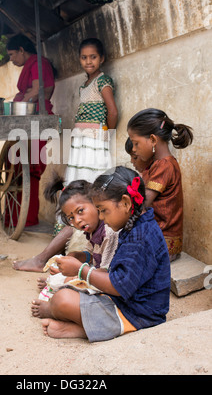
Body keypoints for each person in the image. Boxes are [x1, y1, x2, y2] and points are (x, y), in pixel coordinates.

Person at [13, 37, 118, 269]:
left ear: (102, 59)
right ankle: (67, 243)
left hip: (94, 142)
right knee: (76, 184)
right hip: (81, 140)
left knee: (90, 185)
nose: (88, 61)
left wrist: (106, 135)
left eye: (93, 57)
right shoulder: (85, 84)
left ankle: (84, 244)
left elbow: (112, 111)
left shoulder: (103, 81)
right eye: (84, 57)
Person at [39, 166, 171, 342]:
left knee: (61, 300)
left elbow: (117, 285)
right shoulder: (133, 227)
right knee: (65, 294)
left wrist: (81, 271)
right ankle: (89, 327)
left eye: (103, 210)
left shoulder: (141, 237)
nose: (101, 218)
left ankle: (91, 328)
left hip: (139, 314)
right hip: (124, 302)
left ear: (125, 203)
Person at [31, 174, 119, 316]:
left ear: (96, 203)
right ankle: (57, 283)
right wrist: (78, 256)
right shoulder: (92, 231)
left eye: (80, 211)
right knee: (60, 279)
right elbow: (92, 255)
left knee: (66, 287)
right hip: (97, 272)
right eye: (71, 218)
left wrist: (73, 275)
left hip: (108, 282)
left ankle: (58, 291)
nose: (77, 220)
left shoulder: (109, 233)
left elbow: (106, 273)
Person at [127, 108, 193, 261]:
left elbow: (142, 203)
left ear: (153, 140)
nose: (135, 150)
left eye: (136, 144)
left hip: (163, 242)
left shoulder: (164, 166)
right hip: (159, 238)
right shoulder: (156, 164)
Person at [6, 34, 55, 226]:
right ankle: (14, 216)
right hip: (25, 118)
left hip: (35, 118)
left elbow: (37, 91)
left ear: (21, 50)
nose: (11, 59)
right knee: (15, 166)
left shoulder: (39, 64)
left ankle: (26, 218)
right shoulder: (31, 65)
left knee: (30, 168)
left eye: (12, 55)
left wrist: (21, 105)